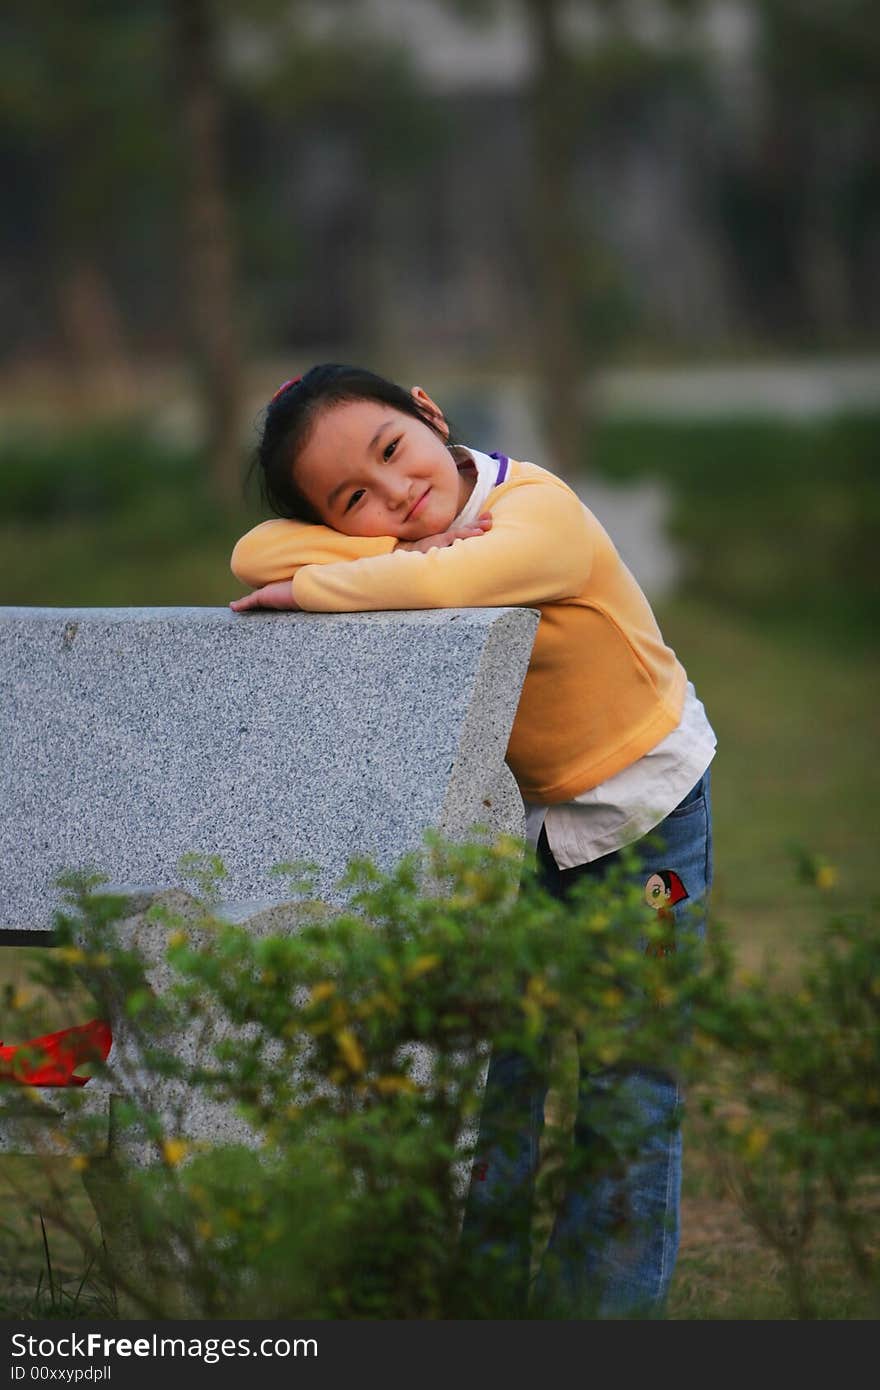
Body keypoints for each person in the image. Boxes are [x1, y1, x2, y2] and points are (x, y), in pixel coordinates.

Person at [229, 362, 716, 1318]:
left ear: (429, 414)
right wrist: (390, 557)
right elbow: (255, 552)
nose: (399, 493)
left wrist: (332, 582)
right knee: (497, 1071)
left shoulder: (540, 509)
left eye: (392, 450)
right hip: (521, 828)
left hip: (646, 816)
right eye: (353, 499)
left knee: (630, 1078)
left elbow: (465, 578)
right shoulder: (417, 534)